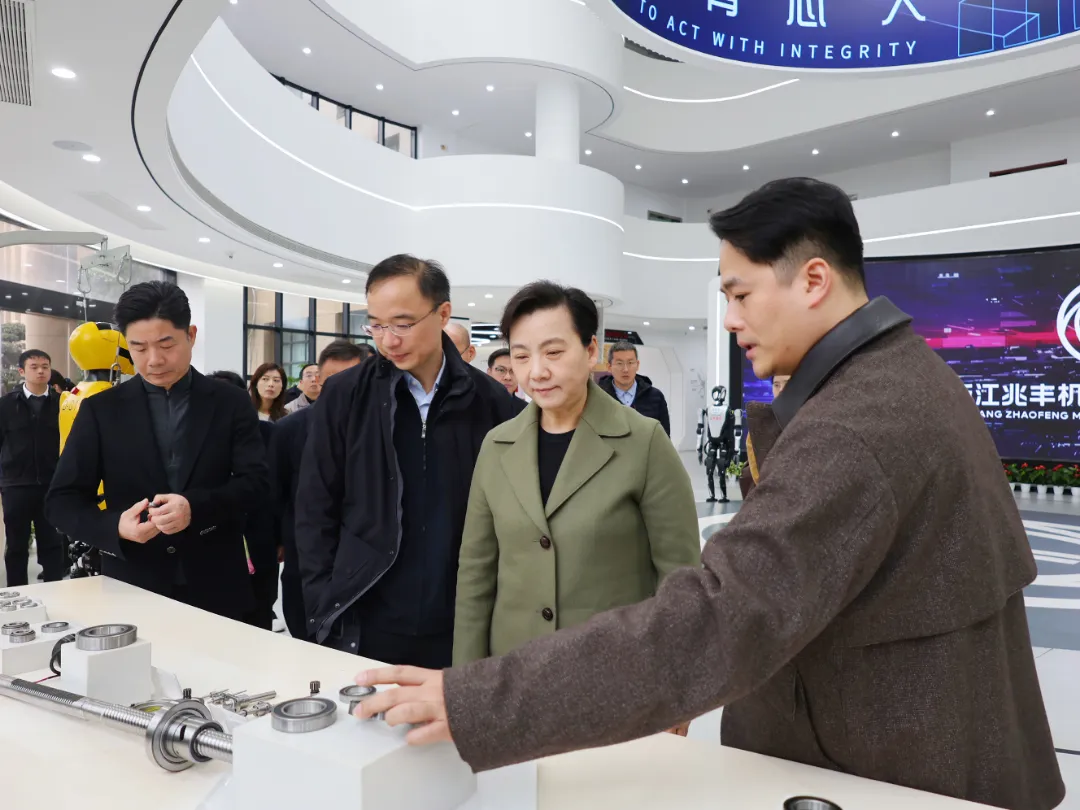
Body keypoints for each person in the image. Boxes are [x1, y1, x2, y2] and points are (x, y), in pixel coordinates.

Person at [353, 178, 1064, 810]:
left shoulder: (855, 422)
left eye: (739, 294)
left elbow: (717, 611)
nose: (729, 318)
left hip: (884, 764)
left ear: (814, 280)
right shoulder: (900, 376)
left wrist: (476, 701)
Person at [452, 283, 700, 681]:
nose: (537, 371)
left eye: (553, 352)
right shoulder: (497, 446)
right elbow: (476, 574)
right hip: (513, 676)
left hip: (612, 675)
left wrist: (672, 682)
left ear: (590, 351)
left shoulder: (644, 442)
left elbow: (680, 578)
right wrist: (467, 682)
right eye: (521, 356)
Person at [295, 254, 518, 667]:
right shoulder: (345, 395)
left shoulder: (492, 403)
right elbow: (315, 506)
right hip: (366, 616)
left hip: (460, 620)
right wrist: (324, 603)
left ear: (443, 314)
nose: (388, 341)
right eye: (376, 325)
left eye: (402, 324)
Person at [46, 282, 269, 621]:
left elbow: (256, 484)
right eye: (138, 348)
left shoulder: (231, 402)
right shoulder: (101, 409)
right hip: (133, 583)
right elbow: (62, 501)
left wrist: (195, 508)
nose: (154, 360)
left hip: (217, 582)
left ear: (190, 335)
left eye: (166, 344)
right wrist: (115, 527)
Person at [270, 340, 373, 640]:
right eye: (332, 381)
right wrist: (280, 539)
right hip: (306, 559)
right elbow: (276, 493)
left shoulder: (383, 429)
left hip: (366, 559)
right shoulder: (290, 429)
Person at [207, 369, 280, 632]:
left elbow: (279, 488)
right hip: (211, 544)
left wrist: (280, 537)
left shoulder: (267, 433)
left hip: (259, 538)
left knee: (259, 612)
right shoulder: (193, 439)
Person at [0, 350, 66, 585]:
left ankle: (55, 591)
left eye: (45, 367)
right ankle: (17, 593)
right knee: (16, 544)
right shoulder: (6, 405)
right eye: (34, 367)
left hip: (52, 484)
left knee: (53, 543)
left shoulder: (63, 404)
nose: (40, 371)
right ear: (22, 371)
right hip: (16, 485)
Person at [597, 341, 671, 436]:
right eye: (619, 363)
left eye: (630, 363)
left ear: (637, 365)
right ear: (609, 367)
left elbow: (664, 437)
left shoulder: (655, 397)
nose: (625, 369)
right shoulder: (598, 397)